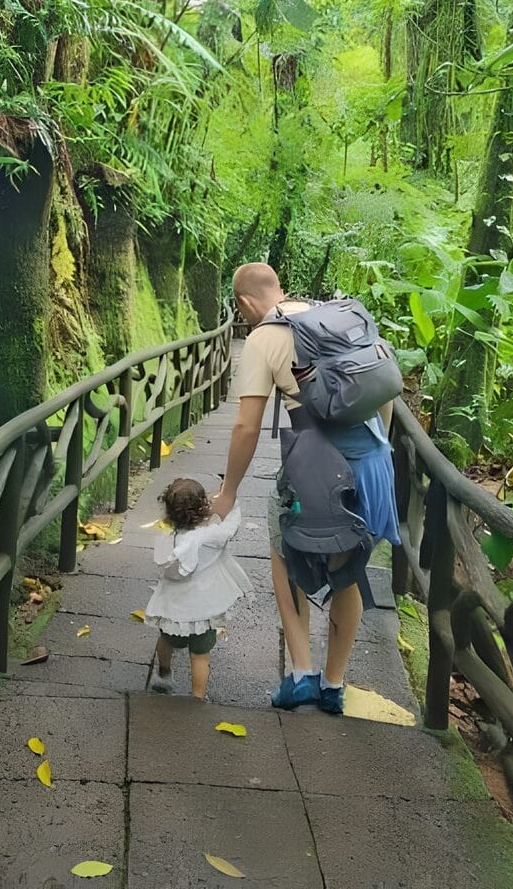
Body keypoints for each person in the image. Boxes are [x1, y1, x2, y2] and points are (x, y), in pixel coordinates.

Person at [211, 262, 400, 716]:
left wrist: (229, 491)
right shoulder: (333, 317)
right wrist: (378, 453)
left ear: (243, 303)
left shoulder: (263, 338)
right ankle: (334, 685)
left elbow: (245, 426)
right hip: (373, 465)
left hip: (318, 471)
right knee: (348, 570)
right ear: (280, 289)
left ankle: (301, 674)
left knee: (284, 550)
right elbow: (386, 398)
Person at [145, 476, 251, 699]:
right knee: (200, 656)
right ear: (203, 508)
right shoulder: (211, 536)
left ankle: (163, 673)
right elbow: (231, 526)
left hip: (173, 611)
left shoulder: (168, 539)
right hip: (204, 611)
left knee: (166, 641)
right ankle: (198, 697)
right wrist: (231, 499)